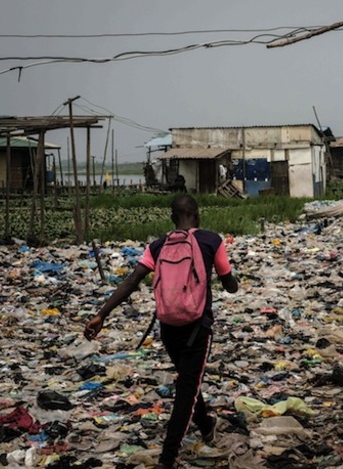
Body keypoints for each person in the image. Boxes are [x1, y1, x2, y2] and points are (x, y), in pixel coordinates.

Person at [84, 194, 239, 469]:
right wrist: (229, 280)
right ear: (197, 214)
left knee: (188, 383)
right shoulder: (212, 240)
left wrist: (101, 314)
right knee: (187, 388)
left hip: (168, 328)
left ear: (172, 218)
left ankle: (205, 424)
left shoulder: (157, 246)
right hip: (197, 329)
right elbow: (230, 285)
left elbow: (132, 281)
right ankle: (168, 459)